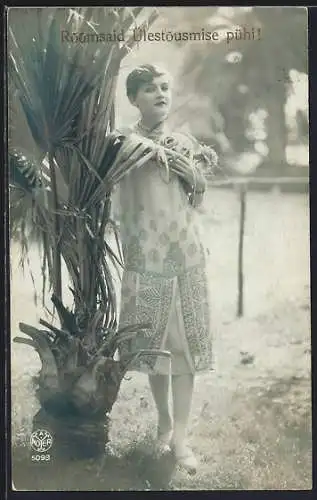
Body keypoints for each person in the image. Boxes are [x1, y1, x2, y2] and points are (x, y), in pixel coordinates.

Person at [114, 63, 216, 474]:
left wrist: (188, 168)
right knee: (155, 349)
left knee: (185, 350)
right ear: (133, 98)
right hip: (147, 259)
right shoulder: (123, 143)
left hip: (185, 255)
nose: (160, 94)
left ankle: (181, 439)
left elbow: (199, 195)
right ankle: (163, 419)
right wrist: (155, 153)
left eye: (165, 88)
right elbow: (116, 180)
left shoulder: (183, 142)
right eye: (150, 89)